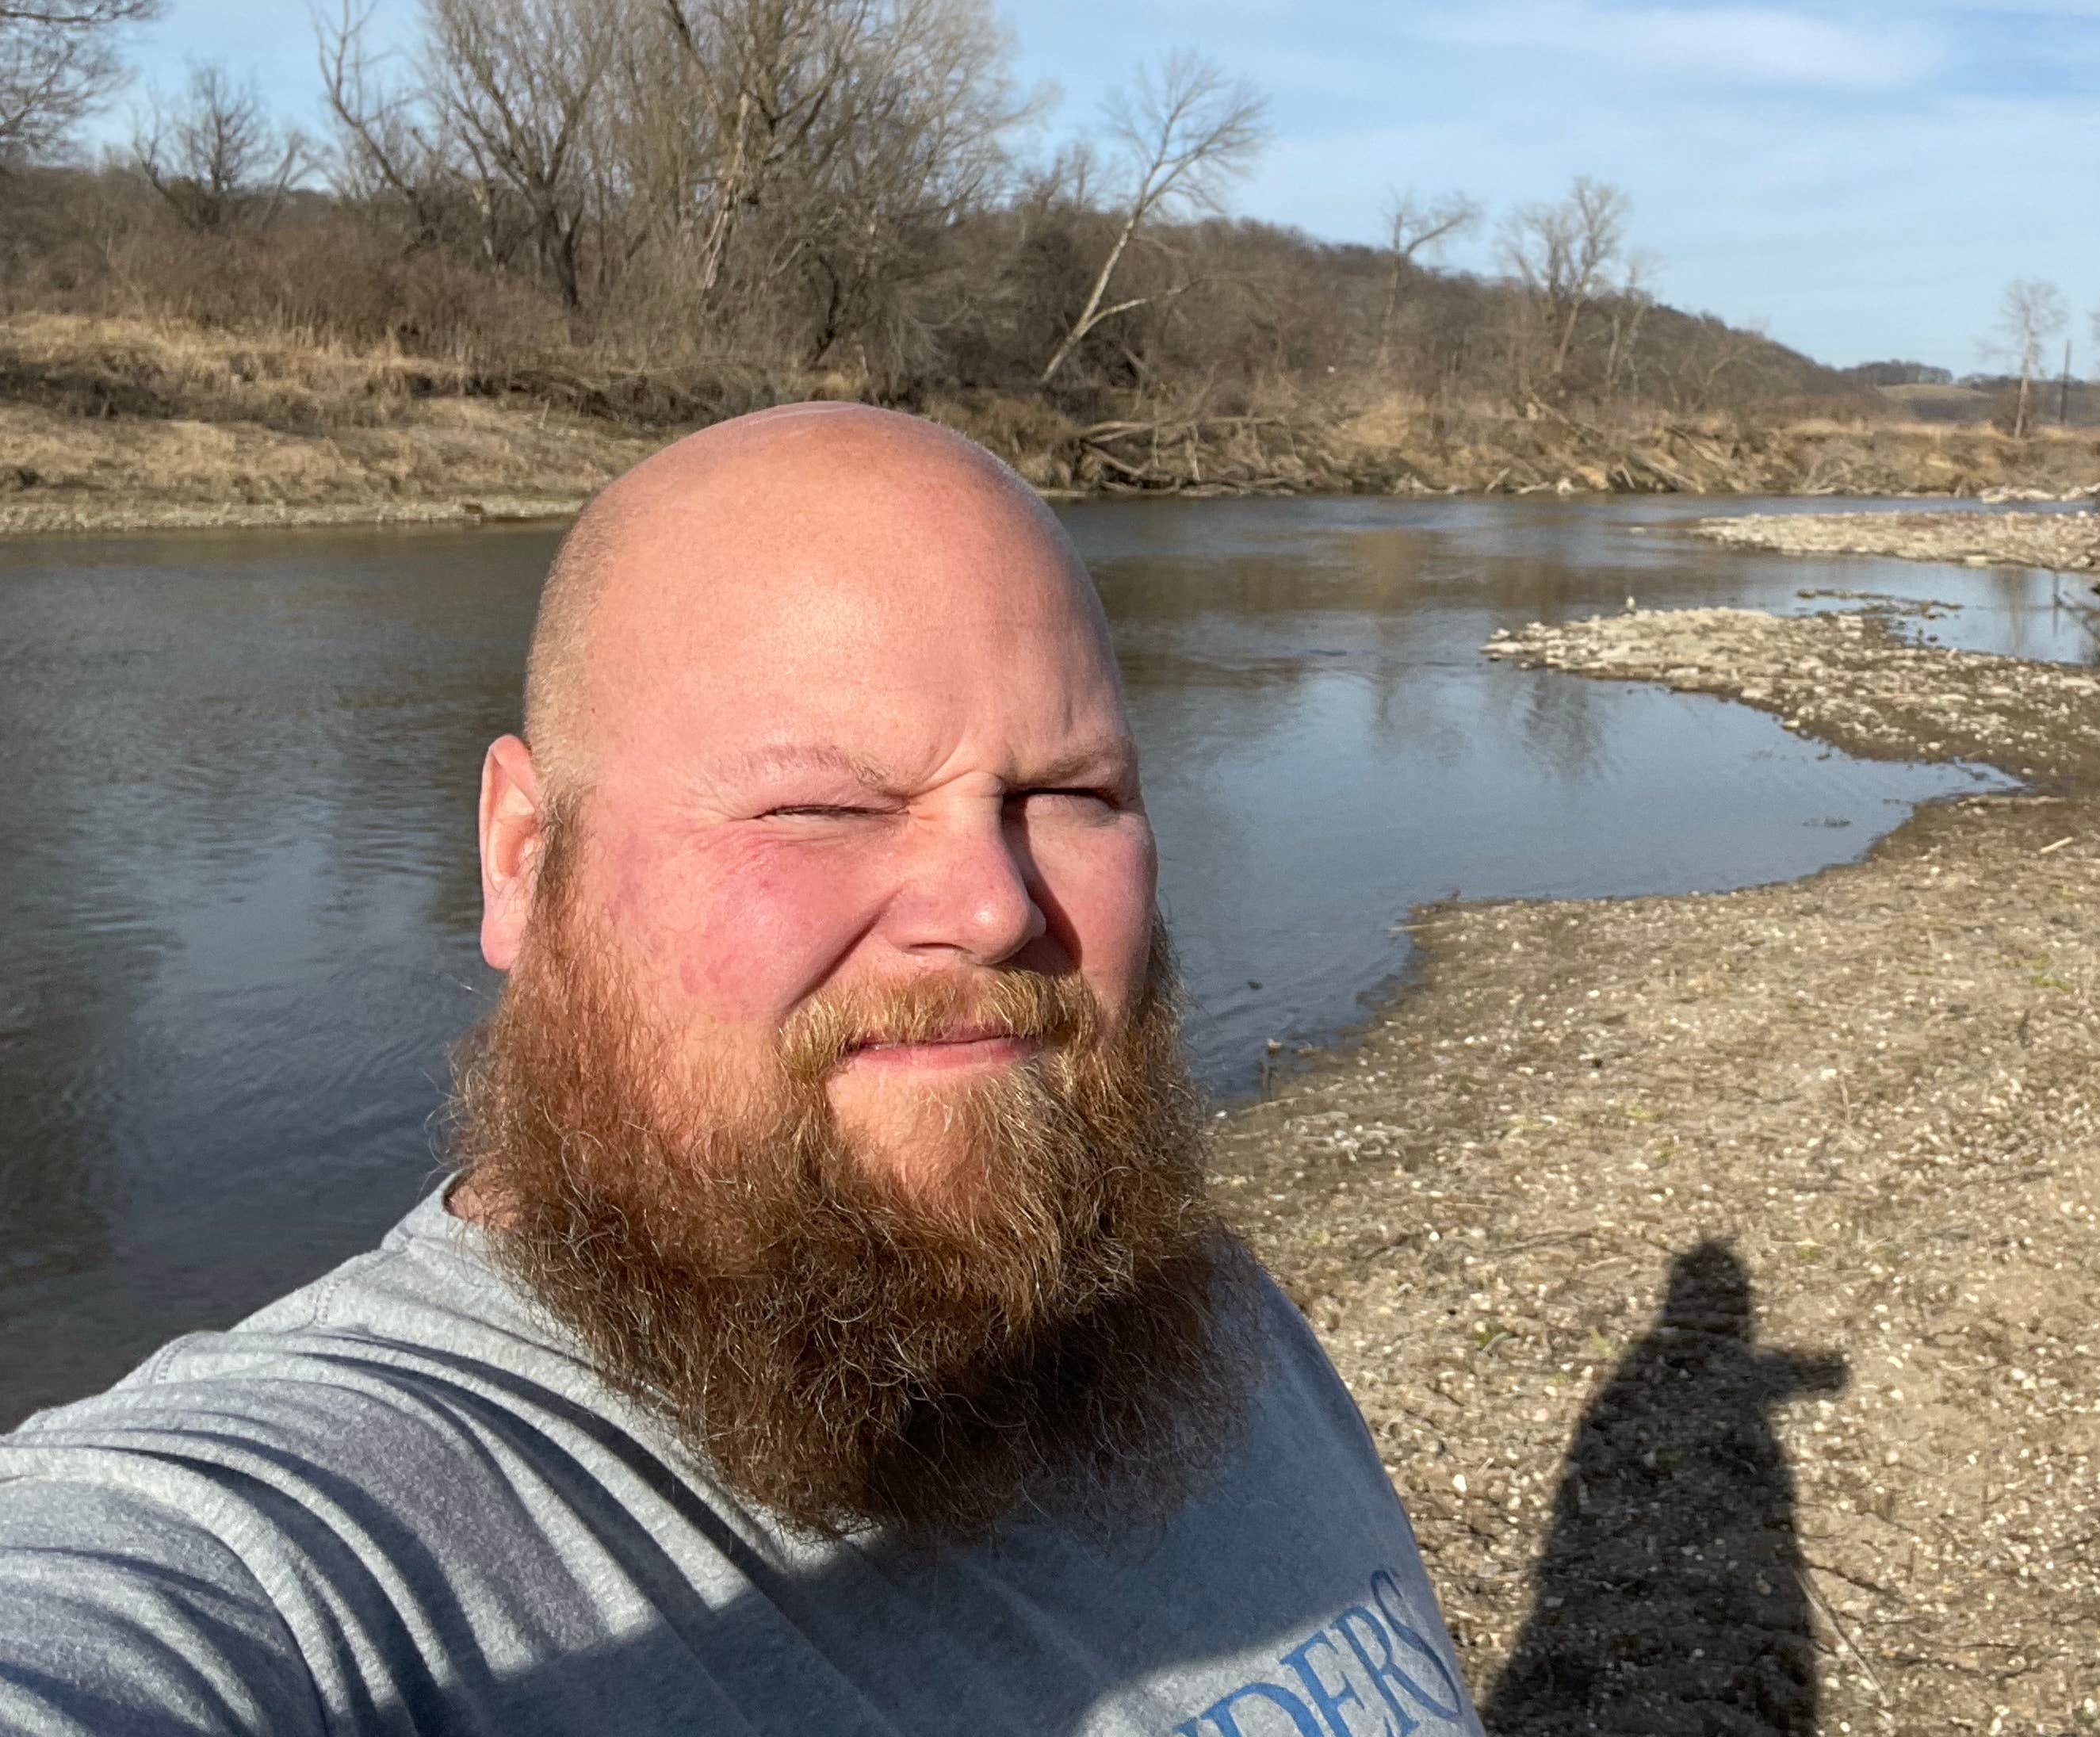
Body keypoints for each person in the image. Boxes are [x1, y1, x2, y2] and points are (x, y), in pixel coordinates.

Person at [0, 406, 1482, 1736]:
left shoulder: (1181, 1304)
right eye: (825, 805)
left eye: (1068, 794)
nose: (990, 906)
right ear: (526, 857)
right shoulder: (303, 1546)